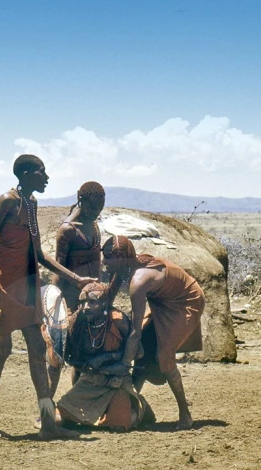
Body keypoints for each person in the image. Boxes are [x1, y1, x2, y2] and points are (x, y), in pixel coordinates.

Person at [0, 154, 94, 440]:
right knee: (1, 350)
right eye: (42, 172)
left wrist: (76, 279)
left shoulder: (31, 204)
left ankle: (47, 422)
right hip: (2, 284)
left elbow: (38, 254)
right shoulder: (8, 200)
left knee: (37, 348)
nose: (47, 177)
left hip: (26, 283)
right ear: (27, 174)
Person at [102, 235, 205, 430]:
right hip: (163, 301)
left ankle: (185, 413)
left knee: (163, 356)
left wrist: (124, 365)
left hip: (186, 301)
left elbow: (135, 332)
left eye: (108, 257)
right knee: (143, 353)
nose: (104, 262)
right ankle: (131, 407)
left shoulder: (139, 281)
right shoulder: (126, 266)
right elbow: (108, 298)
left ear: (121, 257)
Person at [56, 282, 152, 432]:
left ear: (104, 304)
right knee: (57, 419)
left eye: (92, 302)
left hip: (116, 383)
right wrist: (86, 366)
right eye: (83, 302)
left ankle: (140, 408)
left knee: (119, 425)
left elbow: (138, 352)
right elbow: (71, 357)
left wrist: (105, 359)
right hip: (89, 383)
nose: (86, 307)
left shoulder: (118, 320)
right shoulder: (77, 323)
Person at [48, 181, 106, 395]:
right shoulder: (67, 230)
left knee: (85, 357)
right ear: (81, 200)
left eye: (100, 208)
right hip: (70, 303)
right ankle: (45, 410)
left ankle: (78, 401)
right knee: (59, 357)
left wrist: (101, 295)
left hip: (92, 305)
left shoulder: (95, 226)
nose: (95, 213)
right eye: (92, 208)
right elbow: (58, 271)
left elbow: (97, 264)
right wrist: (54, 307)